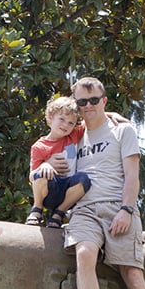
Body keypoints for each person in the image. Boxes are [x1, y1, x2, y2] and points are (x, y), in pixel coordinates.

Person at [58, 76, 145, 289]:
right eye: (82, 102)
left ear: (103, 100)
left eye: (93, 100)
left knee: (132, 272)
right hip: (85, 209)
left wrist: (126, 209)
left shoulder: (123, 131)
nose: (88, 106)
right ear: (76, 105)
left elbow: (132, 176)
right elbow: (50, 141)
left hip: (118, 206)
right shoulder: (73, 136)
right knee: (85, 252)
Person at [25, 96, 92, 229]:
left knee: (83, 179)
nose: (65, 125)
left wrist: (111, 115)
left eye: (70, 123)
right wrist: (45, 164)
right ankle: (37, 208)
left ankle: (59, 213)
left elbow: (95, 118)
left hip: (68, 191)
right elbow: (32, 176)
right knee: (40, 174)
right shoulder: (39, 147)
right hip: (51, 190)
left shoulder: (73, 135)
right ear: (50, 117)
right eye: (61, 119)